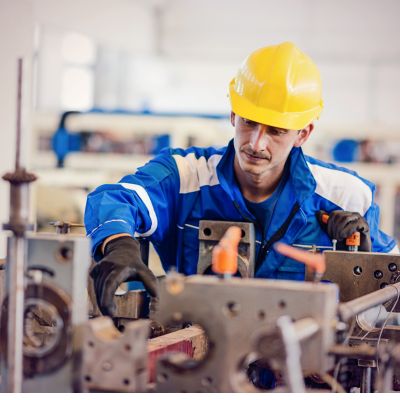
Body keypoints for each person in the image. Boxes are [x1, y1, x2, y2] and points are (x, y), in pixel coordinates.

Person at [84, 41, 398, 317]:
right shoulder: (186, 177)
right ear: (234, 114)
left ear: (303, 133)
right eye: (249, 122)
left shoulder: (344, 196)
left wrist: (364, 264)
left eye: (276, 130)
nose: (256, 143)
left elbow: (392, 293)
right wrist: (118, 245)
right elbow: (116, 197)